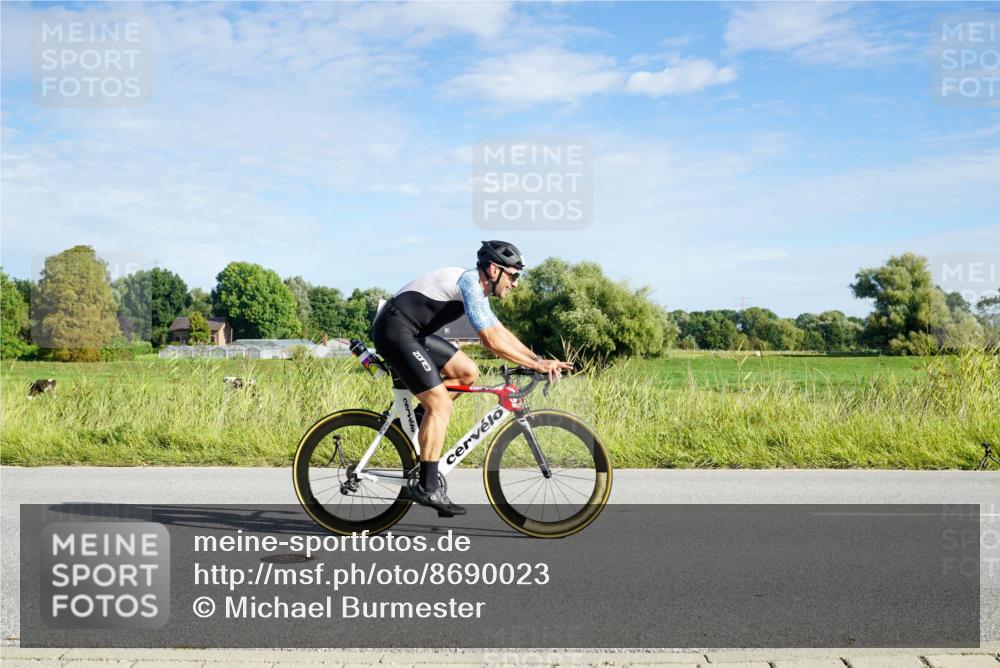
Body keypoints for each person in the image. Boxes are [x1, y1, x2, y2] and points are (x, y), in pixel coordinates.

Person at [371, 240, 573, 516]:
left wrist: (537, 360)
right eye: (513, 275)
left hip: (413, 333)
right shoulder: (469, 283)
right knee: (441, 405)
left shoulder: (478, 291)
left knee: (467, 372)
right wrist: (534, 365)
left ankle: (416, 427)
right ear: (493, 269)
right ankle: (427, 486)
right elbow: (491, 341)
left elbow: (499, 331)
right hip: (394, 331)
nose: (515, 283)